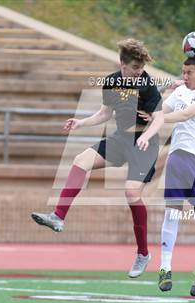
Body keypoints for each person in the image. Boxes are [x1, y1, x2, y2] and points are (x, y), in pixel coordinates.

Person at [31, 38, 164, 278]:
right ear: (122, 64)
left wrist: (148, 134)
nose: (139, 71)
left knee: (132, 194)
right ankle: (58, 217)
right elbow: (105, 114)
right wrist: (81, 122)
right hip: (120, 140)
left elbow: (160, 118)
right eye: (135, 67)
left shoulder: (147, 84)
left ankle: (143, 253)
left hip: (145, 144)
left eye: (141, 67)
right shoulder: (111, 82)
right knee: (80, 161)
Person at [140, 57, 195, 296]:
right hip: (177, 159)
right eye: (183, 72)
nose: (184, 76)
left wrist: (159, 118)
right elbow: (161, 109)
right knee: (172, 212)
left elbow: (185, 115)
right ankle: (164, 267)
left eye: (189, 72)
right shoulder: (181, 90)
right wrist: (163, 93)